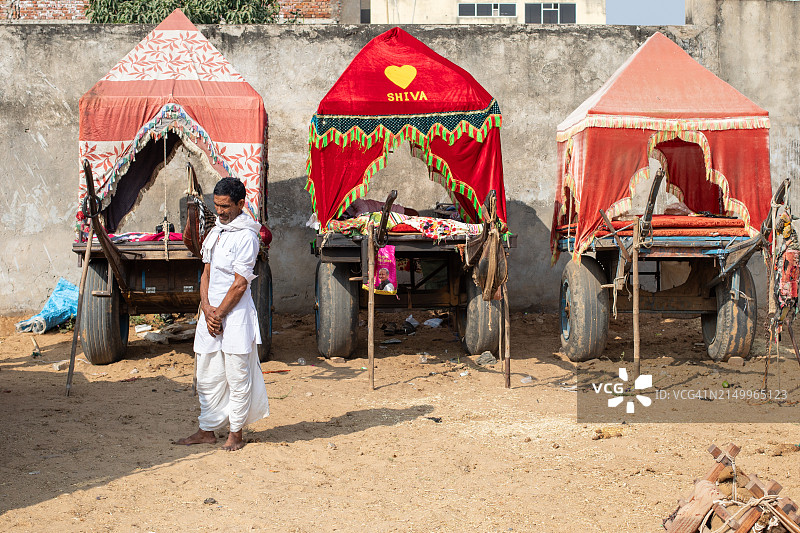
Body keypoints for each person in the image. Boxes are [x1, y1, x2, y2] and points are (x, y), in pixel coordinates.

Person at [175, 177, 269, 451]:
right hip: (210, 315)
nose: (220, 211)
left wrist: (219, 314)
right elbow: (206, 273)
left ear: (241, 204)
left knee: (237, 376)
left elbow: (241, 283)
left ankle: (235, 434)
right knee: (207, 374)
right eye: (216, 205)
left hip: (236, 316)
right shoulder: (215, 232)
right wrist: (206, 308)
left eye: (225, 206)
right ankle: (206, 430)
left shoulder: (248, 237)